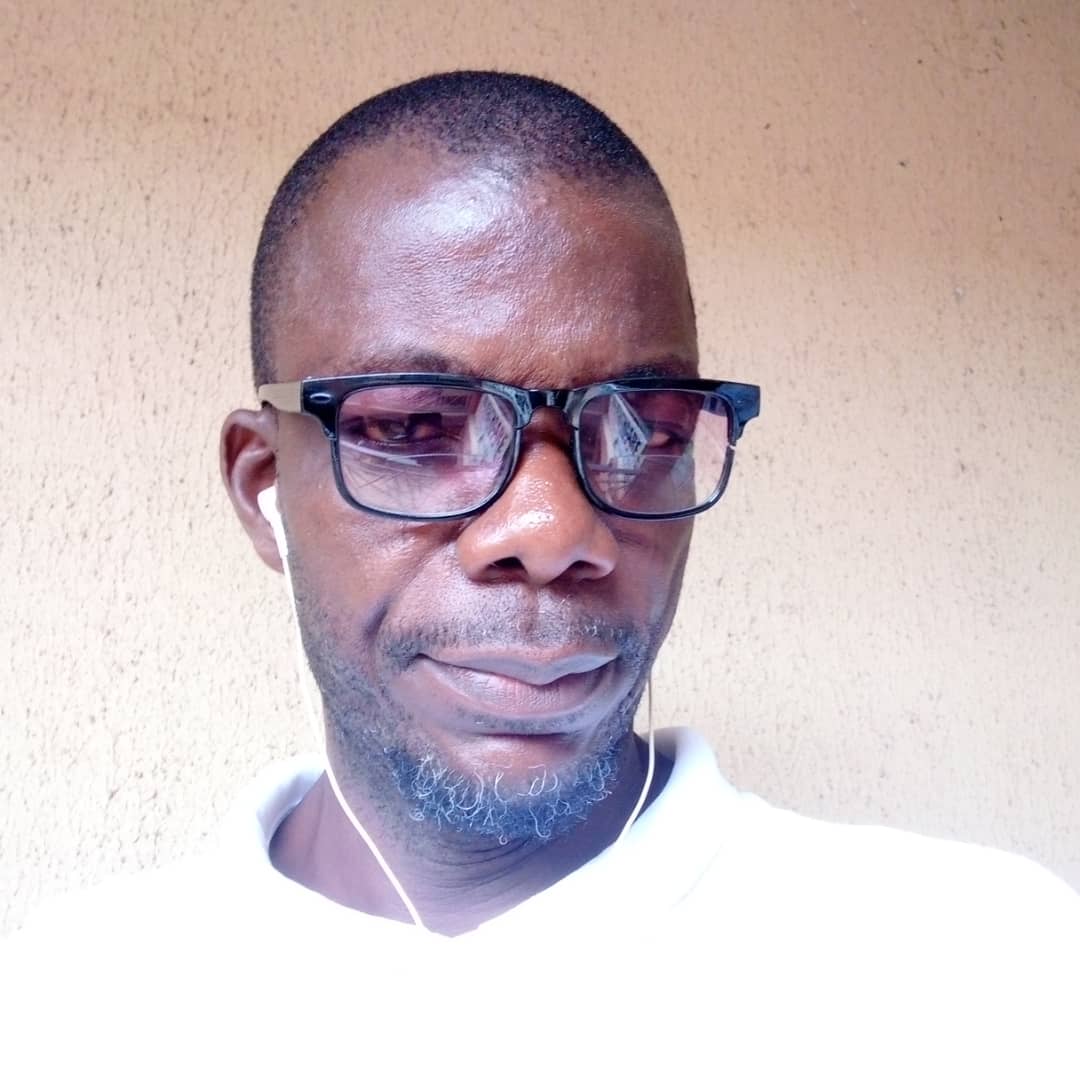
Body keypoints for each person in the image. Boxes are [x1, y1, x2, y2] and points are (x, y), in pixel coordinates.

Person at [4, 71, 1078, 1078]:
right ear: (263, 490)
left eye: (646, 427)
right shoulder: (62, 1011)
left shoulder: (985, 973)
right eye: (416, 427)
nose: (554, 529)